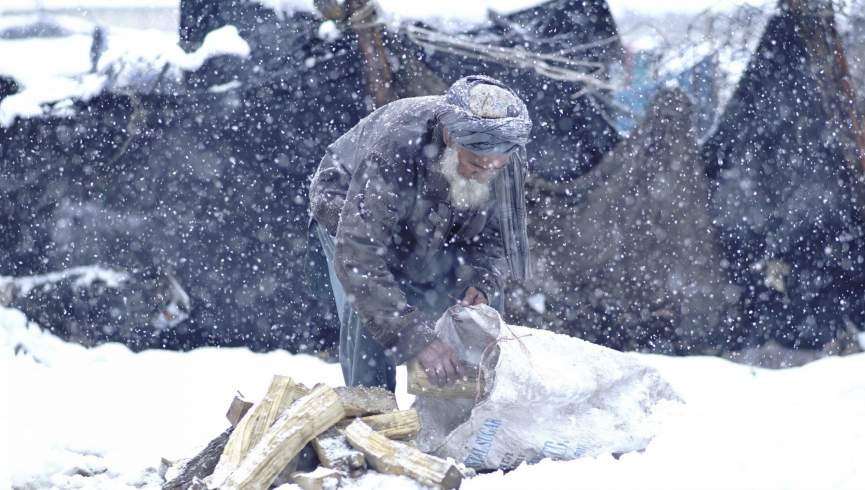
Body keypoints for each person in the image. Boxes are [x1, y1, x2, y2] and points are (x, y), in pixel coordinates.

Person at [308, 75, 532, 392]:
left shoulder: (505, 150)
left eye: (495, 167)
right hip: (349, 204)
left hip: (435, 218)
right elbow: (359, 261)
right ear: (451, 138)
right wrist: (415, 339)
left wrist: (483, 280)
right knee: (370, 305)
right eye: (476, 164)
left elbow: (500, 236)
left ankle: (469, 412)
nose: (486, 174)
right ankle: (370, 415)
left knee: (481, 306)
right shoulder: (395, 147)